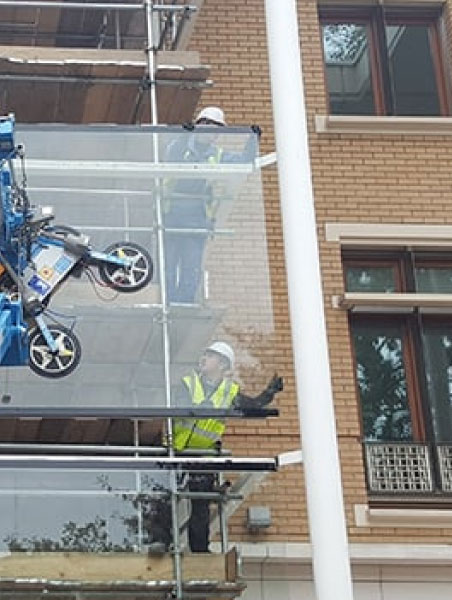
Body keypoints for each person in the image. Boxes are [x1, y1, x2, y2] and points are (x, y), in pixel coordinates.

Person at [148, 341, 283, 554]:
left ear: (222, 364)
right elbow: (180, 405)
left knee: (200, 505)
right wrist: (197, 408)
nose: (203, 359)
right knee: (167, 498)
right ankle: (160, 542)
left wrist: (269, 393)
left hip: (204, 455)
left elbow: (252, 406)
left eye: (209, 356)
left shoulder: (229, 391)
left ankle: (200, 549)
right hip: (178, 451)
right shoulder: (188, 384)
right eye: (204, 355)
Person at [162, 107, 258, 304]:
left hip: (196, 218)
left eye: (214, 129)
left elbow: (244, 162)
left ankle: (184, 304)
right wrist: (184, 136)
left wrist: (252, 141)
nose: (209, 132)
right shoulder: (178, 147)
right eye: (205, 125)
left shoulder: (218, 154)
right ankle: (169, 303)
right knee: (169, 266)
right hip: (171, 214)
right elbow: (173, 156)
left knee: (191, 266)